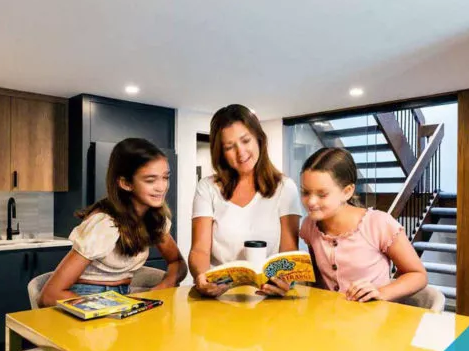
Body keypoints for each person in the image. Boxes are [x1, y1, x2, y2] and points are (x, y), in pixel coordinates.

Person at [39, 138, 186, 307]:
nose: (162, 187)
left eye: (165, 177)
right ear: (126, 183)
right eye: (150, 180)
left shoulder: (155, 219)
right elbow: (49, 296)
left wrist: (162, 286)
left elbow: (178, 263)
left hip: (123, 294)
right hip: (87, 295)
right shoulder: (105, 225)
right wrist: (106, 308)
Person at [189, 104, 302, 298]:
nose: (240, 153)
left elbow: (289, 251)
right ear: (221, 152)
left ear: (258, 139)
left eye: (245, 140)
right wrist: (201, 276)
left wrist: (285, 281)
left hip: (268, 296)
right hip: (220, 296)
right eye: (229, 147)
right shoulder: (207, 187)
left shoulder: (285, 187)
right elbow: (199, 249)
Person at [299, 147, 427, 302]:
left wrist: (381, 293)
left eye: (322, 194)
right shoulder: (309, 226)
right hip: (331, 319)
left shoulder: (378, 223)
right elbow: (319, 278)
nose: (311, 202)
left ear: (347, 191)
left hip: (374, 319)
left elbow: (418, 275)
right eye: (305, 192)